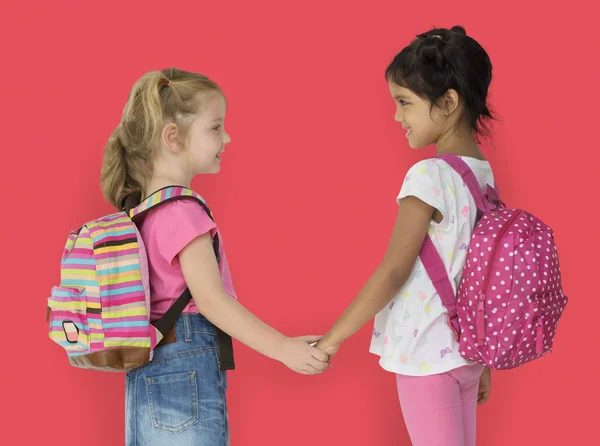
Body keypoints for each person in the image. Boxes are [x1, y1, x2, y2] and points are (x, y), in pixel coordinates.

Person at [100, 68, 330, 446]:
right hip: (183, 369)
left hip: (147, 371)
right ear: (173, 137)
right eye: (215, 127)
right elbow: (210, 300)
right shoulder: (181, 211)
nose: (227, 137)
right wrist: (283, 348)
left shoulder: (142, 212)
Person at [316, 26, 494, 446]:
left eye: (404, 103)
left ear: (448, 102)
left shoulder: (430, 176)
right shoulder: (483, 177)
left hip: (427, 353)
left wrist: (331, 340)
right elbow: (478, 275)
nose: (397, 117)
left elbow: (394, 270)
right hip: (466, 353)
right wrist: (484, 359)